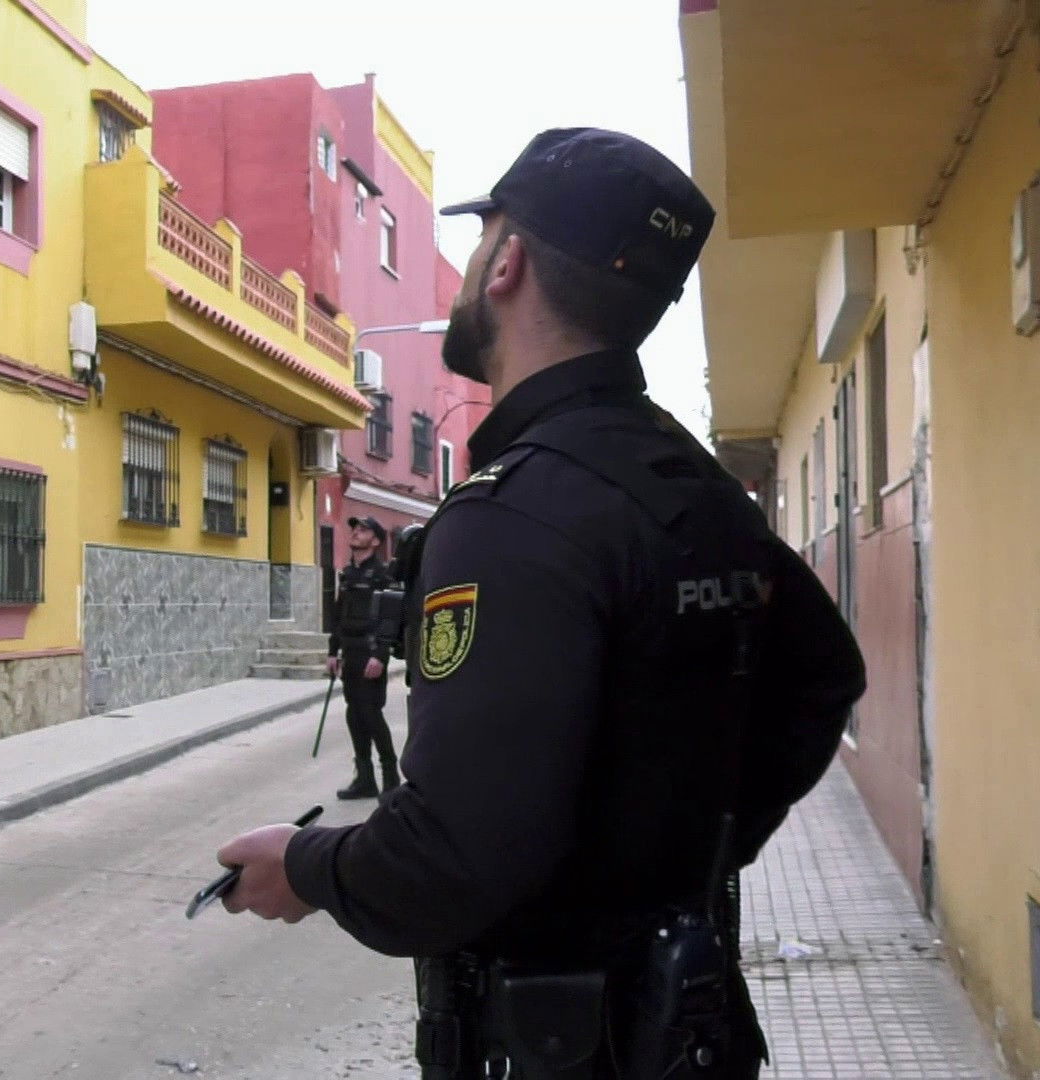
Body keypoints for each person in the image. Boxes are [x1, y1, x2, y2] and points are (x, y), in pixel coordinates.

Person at [211, 129, 866, 1078]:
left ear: (508, 262)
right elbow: (822, 677)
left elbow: (450, 859)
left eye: (481, 239)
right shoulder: (694, 484)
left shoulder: (513, 513)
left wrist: (305, 866)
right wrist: (682, 859)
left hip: (563, 1050)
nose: (473, 264)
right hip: (688, 1027)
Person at [326, 516, 402, 800]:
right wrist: (333, 651)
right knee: (354, 714)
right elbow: (338, 616)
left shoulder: (382, 575)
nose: (356, 532)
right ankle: (365, 779)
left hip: (371, 653)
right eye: (355, 528)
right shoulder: (347, 574)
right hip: (350, 651)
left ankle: (391, 779)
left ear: (376, 540)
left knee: (371, 713)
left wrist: (380, 656)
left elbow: (390, 619)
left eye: (363, 530)